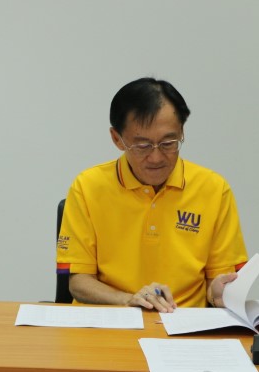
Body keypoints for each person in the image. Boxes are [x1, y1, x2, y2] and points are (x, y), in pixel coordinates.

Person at [56, 77, 247, 312]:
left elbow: (216, 282)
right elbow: (78, 281)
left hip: (183, 322)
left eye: (168, 143)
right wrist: (128, 299)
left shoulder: (214, 190)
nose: (156, 158)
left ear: (181, 132)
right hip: (111, 319)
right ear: (117, 139)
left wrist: (219, 293)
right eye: (142, 146)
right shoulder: (88, 187)